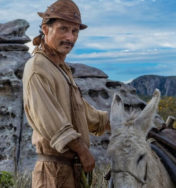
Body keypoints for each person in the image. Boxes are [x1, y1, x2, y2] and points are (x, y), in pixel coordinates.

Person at [22, 0, 110, 187]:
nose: (70, 37)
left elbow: (83, 113)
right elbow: (51, 121)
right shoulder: (38, 67)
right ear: (45, 29)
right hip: (54, 174)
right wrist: (83, 151)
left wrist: (122, 123)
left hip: (70, 171)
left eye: (75, 31)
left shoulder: (60, 69)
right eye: (63, 29)